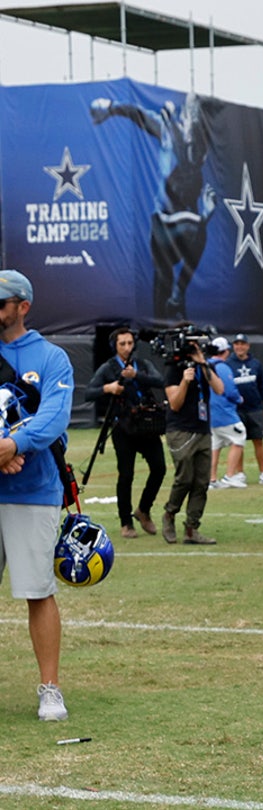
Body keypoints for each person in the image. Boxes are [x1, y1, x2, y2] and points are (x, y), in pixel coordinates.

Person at [0, 270, 76, 721]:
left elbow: (53, 418)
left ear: (22, 306)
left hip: (34, 489)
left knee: (38, 591)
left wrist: (11, 447)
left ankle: (50, 688)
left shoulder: (51, 357)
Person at [90, 93, 215, 320]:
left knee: (173, 271)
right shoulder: (169, 130)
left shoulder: (195, 147)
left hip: (182, 220)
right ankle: (169, 308)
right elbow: (138, 114)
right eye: (190, 117)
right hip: (166, 221)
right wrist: (112, 107)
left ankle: (175, 301)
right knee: (163, 278)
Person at [84, 326, 166, 538]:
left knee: (159, 468)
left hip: (147, 425)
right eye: (122, 344)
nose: (127, 348)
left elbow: (160, 381)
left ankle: (144, 509)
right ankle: (126, 522)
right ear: (115, 346)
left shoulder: (142, 364)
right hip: (124, 427)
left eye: (130, 343)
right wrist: (108, 388)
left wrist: (136, 376)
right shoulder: (108, 368)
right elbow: (88, 393)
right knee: (126, 474)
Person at [160, 327, 225, 545]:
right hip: (180, 429)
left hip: (202, 428)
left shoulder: (204, 366)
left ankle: (191, 528)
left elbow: (219, 389)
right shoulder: (173, 367)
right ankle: (169, 514)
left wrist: (203, 363)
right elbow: (175, 404)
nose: (195, 347)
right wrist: (185, 381)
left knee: (201, 481)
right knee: (185, 478)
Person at [226, 334, 263, 485]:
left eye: (243, 344)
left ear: (248, 346)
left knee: (258, 440)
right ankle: (240, 473)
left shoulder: (255, 364)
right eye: (237, 344)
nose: (240, 347)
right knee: (238, 441)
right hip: (236, 409)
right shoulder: (228, 364)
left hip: (254, 408)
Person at [205, 338, 246, 489]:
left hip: (210, 413)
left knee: (215, 445)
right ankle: (229, 476)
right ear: (225, 351)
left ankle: (211, 479)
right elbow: (230, 391)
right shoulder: (222, 367)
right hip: (225, 412)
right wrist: (239, 399)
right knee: (239, 437)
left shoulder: (205, 366)